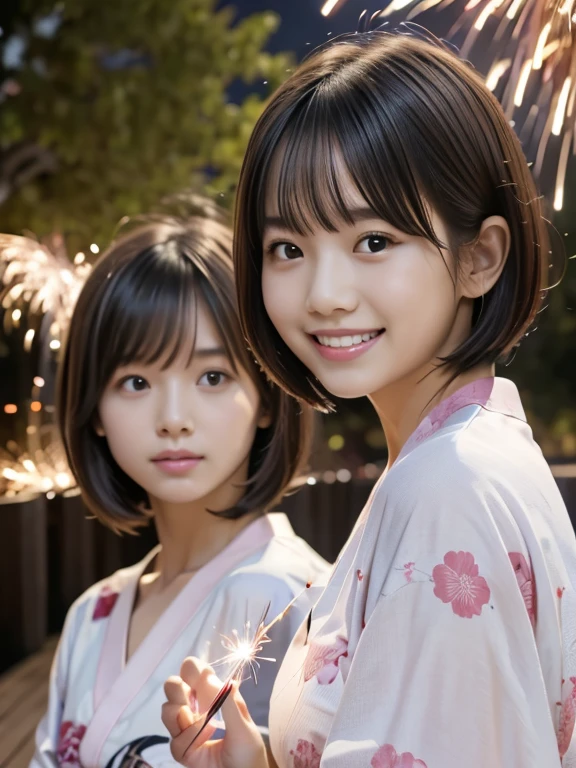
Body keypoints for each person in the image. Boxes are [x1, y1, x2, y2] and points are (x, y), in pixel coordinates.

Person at [161, 30, 576, 768]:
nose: (323, 294)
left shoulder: (449, 486)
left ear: (480, 257)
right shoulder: (463, 458)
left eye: (375, 240)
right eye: (287, 248)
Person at [31, 200, 328, 768]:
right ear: (94, 408)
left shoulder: (297, 599)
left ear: (267, 396)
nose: (173, 417)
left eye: (212, 377)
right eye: (136, 380)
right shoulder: (91, 614)